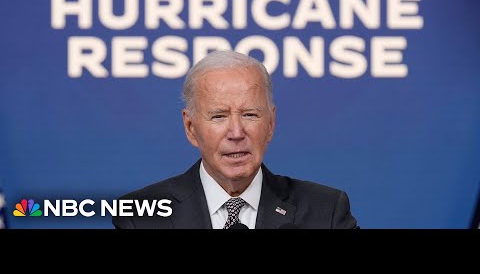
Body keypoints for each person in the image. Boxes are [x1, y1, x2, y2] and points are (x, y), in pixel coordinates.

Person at [112, 50, 358, 229]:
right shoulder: (140, 216)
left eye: (250, 114)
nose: (237, 132)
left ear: (270, 124)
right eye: (219, 116)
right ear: (190, 128)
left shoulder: (326, 212)